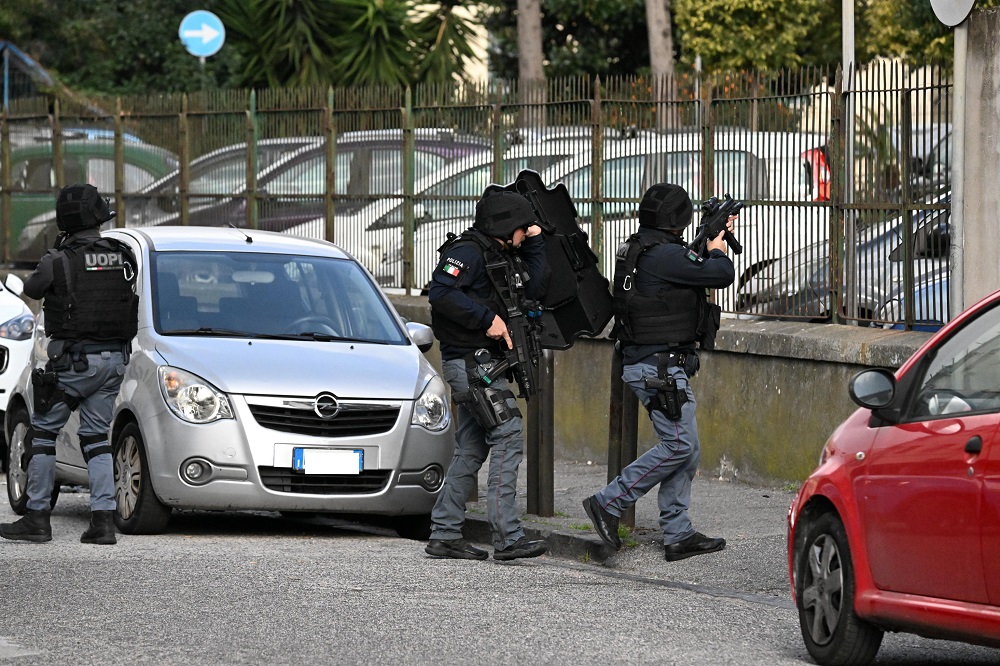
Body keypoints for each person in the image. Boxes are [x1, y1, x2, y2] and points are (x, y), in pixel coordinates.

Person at [583, 183, 736, 562]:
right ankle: (608, 502)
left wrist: (707, 235)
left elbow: (682, 267)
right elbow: (719, 274)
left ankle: (678, 533)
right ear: (678, 219)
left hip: (654, 363)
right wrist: (717, 247)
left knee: (687, 447)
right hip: (657, 366)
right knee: (679, 445)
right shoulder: (663, 255)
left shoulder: (644, 248)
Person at [0, 183, 138, 545]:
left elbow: (31, 288)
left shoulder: (57, 260)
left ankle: (37, 518)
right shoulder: (122, 255)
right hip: (114, 363)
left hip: (75, 365)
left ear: (66, 220)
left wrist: (57, 259)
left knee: (43, 433)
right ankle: (103, 523)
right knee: (96, 439)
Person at [424, 189, 550, 562]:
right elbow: (441, 293)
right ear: (506, 224)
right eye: (523, 226)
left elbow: (537, 286)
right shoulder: (467, 252)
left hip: (483, 365)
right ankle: (508, 536)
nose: (526, 231)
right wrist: (487, 319)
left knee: (473, 447)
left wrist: (537, 241)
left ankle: (445, 533)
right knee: (508, 434)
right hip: (470, 363)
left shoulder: (502, 254)